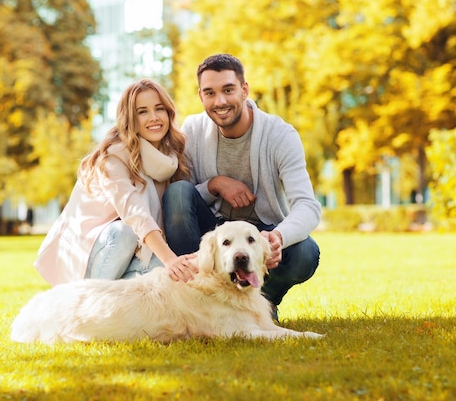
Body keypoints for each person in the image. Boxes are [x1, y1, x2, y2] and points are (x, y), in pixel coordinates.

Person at [162, 54, 321, 320]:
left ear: (244, 90)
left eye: (228, 90)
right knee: (177, 192)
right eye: (210, 93)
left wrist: (278, 237)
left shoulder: (281, 136)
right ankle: (196, 300)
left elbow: (307, 206)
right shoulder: (193, 129)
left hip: (262, 233)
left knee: (306, 252)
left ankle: (262, 306)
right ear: (200, 96)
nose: (220, 101)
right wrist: (214, 184)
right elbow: (182, 199)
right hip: (212, 232)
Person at [34, 79, 198, 286]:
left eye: (159, 109)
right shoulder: (114, 156)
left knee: (167, 276)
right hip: (86, 249)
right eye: (142, 111)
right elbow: (133, 211)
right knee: (125, 233)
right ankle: (87, 304)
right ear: (130, 118)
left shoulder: (169, 158)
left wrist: (214, 185)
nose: (154, 118)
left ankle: (112, 306)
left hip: (132, 250)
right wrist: (170, 259)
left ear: (168, 113)